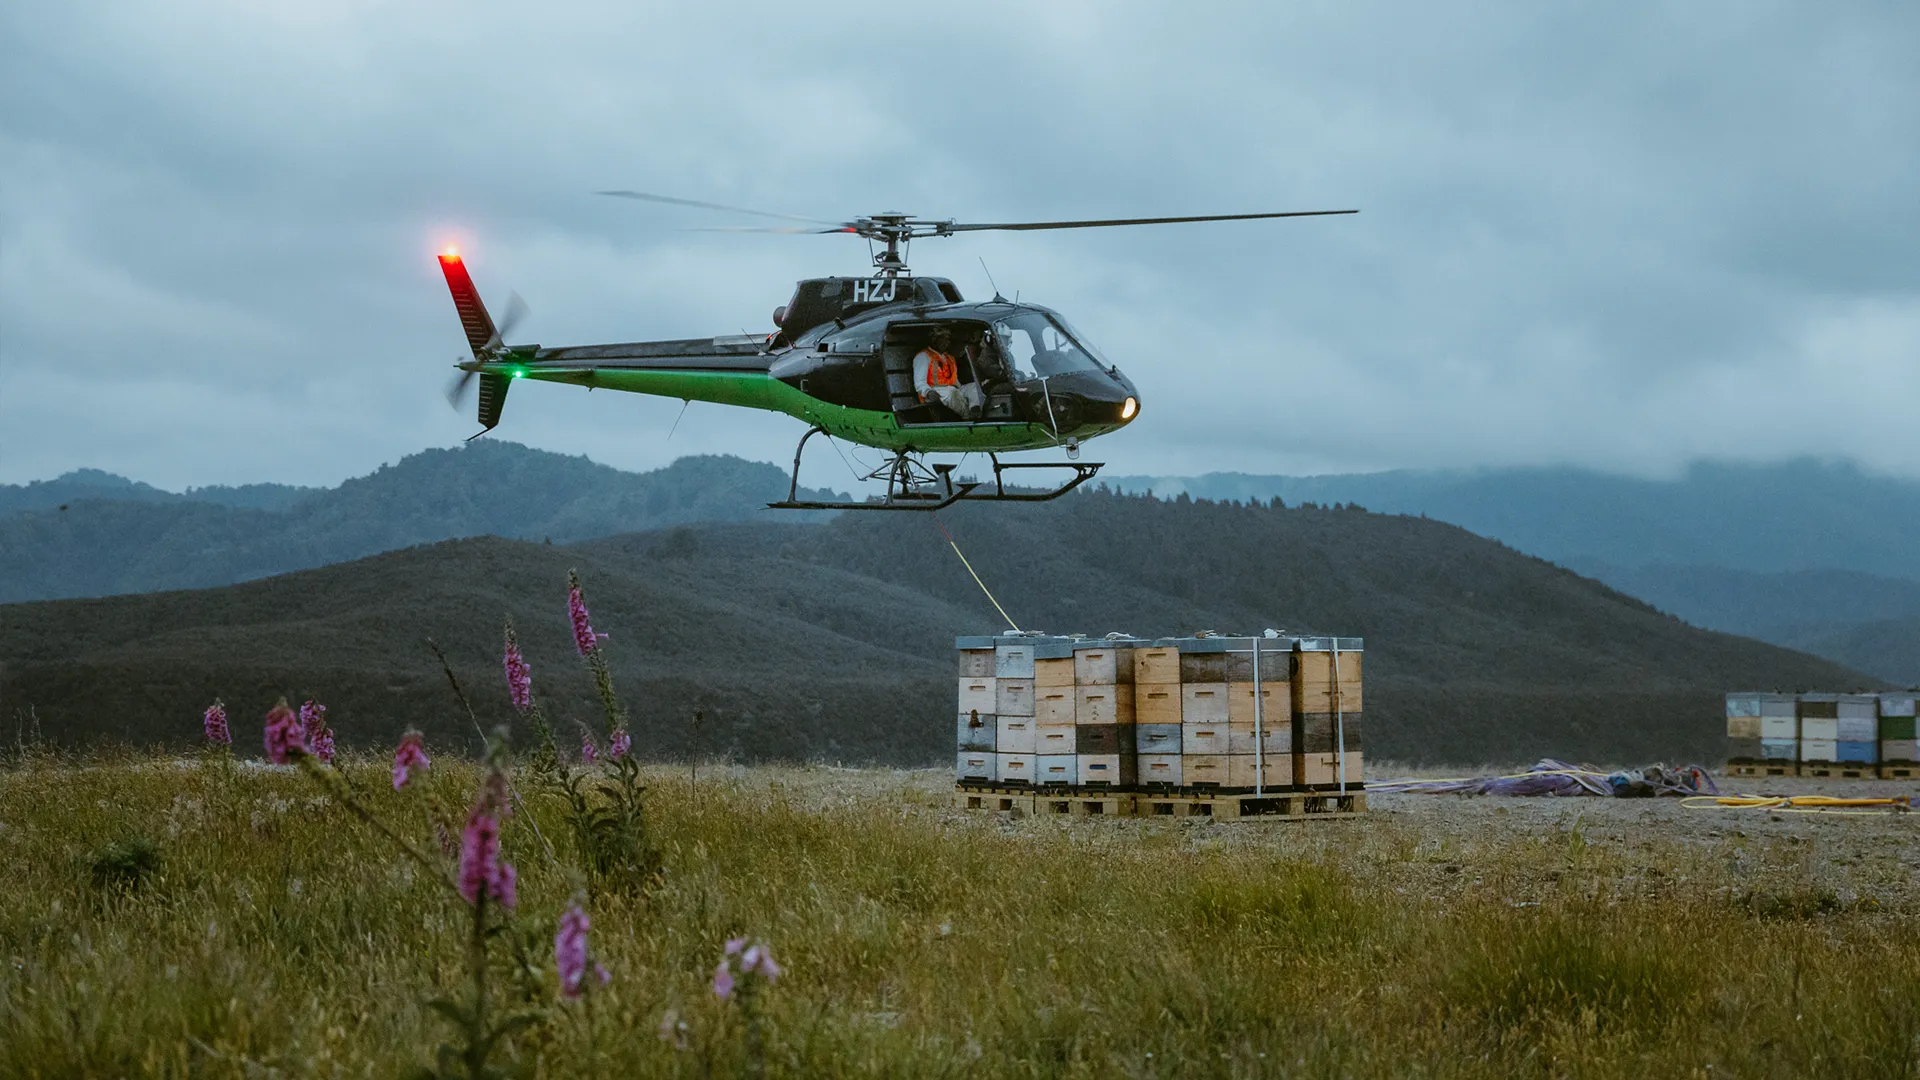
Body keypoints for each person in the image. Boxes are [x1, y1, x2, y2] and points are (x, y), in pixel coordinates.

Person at [913, 326, 981, 419]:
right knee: (951, 391)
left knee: (974, 386)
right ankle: (967, 417)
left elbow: (954, 380)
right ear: (934, 340)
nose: (947, 342)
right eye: (943, 339)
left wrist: (963, 390)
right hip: (935, 391)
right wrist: (927, 392)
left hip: (953, 389)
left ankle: (975, 410)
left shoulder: (949, 357)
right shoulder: (923, 356)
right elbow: (919, 382)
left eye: (948, 339)